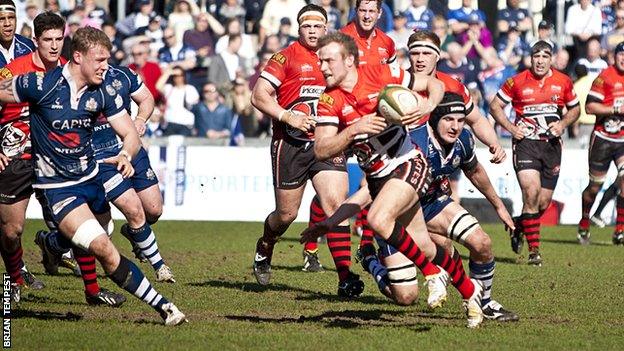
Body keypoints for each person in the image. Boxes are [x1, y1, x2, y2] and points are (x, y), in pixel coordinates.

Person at [0, 26, 186, 325]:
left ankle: (54, 247)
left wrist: (126, 153)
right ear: (77, 57)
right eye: (99, 59)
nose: (105, 66)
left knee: (99, 238)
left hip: (92, 180)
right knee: (103, 248)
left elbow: (129, 132)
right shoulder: (40, 84)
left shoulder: (104, 91)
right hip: (59, 188)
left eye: (107, 59)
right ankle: (164, 307)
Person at [311, 32, 487, 328]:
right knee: (426, 247)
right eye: (320, 62)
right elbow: (321, 148)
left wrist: (429, 105)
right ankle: (471, 294)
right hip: (380, 180)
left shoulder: (382, 74)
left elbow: (434, 83)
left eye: (328, 60)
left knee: (378, 219)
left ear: (349, 60)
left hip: (409, 163)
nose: (323, 67)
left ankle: (431, 274)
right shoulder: (329, 100)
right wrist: (353, 130)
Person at [250, 4, 361, 296]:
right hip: (290, 145)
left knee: (336, 206)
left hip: (326, 143)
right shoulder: (285, 56)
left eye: (317, 26)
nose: (312, 31)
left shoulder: (337, 56)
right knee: (286, 215)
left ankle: (345, 278)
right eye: (306, 26)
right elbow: (259, 95)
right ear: (299, 29)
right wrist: (288, 116)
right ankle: (266, 245)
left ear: (326, 29)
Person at [489, 40, 581, 266]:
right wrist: (511, 128)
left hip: (551, 147)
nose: (540, 61)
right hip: (526, 144)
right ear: (531, 59)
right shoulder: (517, 81)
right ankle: (534, 253)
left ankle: (519, 226)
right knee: (530, 193)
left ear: (551, 59)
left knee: (542, 203)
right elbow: (494, 106)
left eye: (545, 57)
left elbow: (576, 109)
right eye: (536, 57)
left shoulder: (563, 81)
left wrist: (562, 124)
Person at [0, 0, 41, 301]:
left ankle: (45, 253)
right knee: (8, 225)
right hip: (3, 143)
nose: (6, 23)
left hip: (32, 139)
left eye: (11, 17)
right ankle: (16, 274)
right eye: (0, 18)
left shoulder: (29, 48)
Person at [578, 42, 624, 246]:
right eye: (621, 55)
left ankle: (620, 230)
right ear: (615, 57)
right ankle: (585, 220)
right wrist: (615, 109)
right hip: (603, 139)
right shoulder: (605, 77)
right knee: (594, 188)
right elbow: (589, 107)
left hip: (623, 140)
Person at [340, 0, 395, 66]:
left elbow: (394, 73)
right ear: (356, 11)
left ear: (379, 13)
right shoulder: (341, 38)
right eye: (363, 10)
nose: (367, 16)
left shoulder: (387, 42)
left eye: (371, 11)